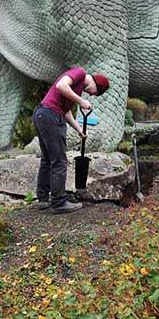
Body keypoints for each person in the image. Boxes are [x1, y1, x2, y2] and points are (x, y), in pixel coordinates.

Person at [32, 68, 109, 214]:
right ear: (96, 84)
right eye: (95, 92)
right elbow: (61, 85)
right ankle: (59, 203)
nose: (91, 94)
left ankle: (43, 199)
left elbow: (65, 111)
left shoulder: (77, 88)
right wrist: (81, 101)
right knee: (59, 161)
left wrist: (79, 129)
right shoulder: (79, 73)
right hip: (50, 116)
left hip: (43, 115)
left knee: (48, 160)